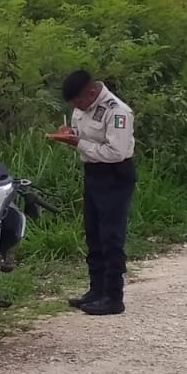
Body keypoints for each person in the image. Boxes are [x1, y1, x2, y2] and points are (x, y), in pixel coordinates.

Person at [47, 70, 136, 316]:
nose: (77, 107)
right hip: (93, 173)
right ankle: (96, 290)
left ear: (92, 92)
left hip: (115, 174)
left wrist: (78, 143)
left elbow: (115, 152)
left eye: (79, 101)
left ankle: (113, 296)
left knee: (111, 235)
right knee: (93, 233)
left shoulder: (117, 111)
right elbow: (84, 135)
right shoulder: (83, 108)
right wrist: (68, 134)